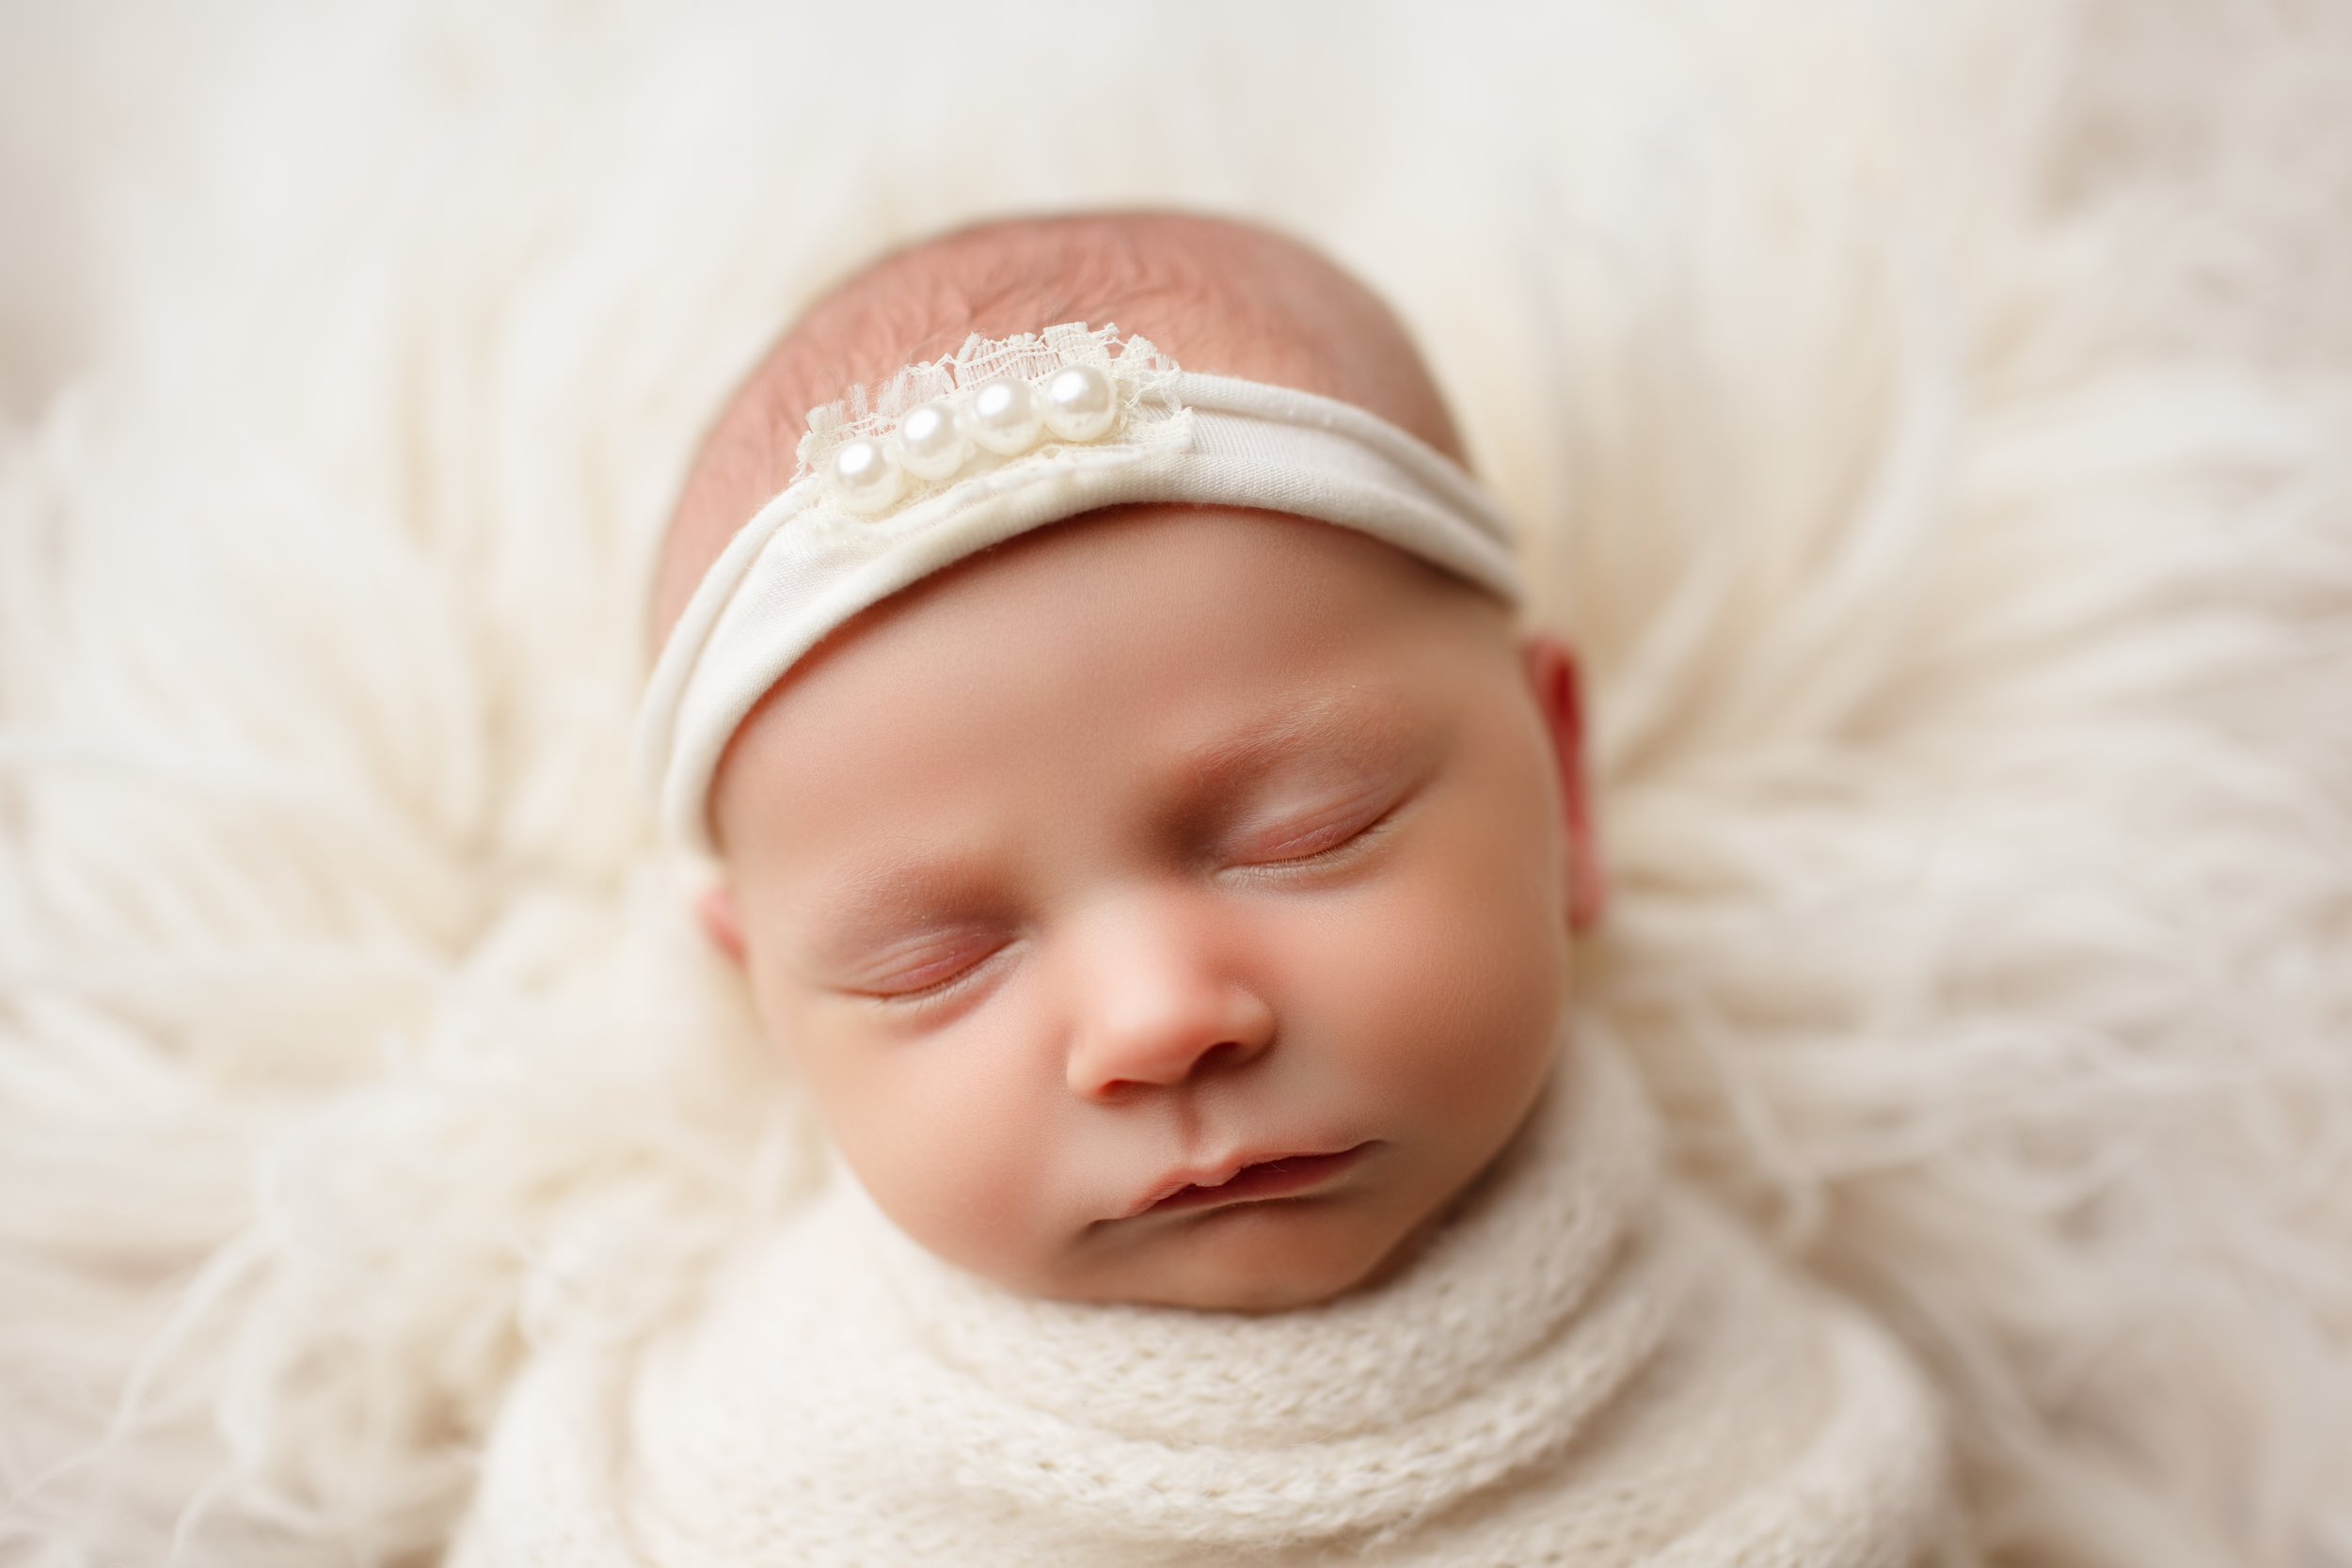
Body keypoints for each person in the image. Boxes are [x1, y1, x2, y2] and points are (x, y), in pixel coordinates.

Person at [454, 211, 1963, 1564]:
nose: (1159, 1019)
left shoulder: (1771, 1424)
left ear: (1560, 785)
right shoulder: (699, 1487)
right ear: (766, 1005)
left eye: (1310, 828)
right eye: (932, 958)